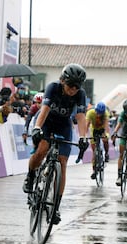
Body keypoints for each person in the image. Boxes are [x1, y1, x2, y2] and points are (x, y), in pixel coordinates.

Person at [22, 63, 89, 225]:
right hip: (47, 121)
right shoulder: (53, 87)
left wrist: (83, 137)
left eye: (76, 86)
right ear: (63, 81)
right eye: (70, 85)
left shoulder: (80, 94)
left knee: (63, 163)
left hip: (64, 125)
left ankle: (56, 208)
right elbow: (44, 110)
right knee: (42, 149)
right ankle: (31, 175)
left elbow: (80, 117)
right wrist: (37, 128)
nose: (73, 89)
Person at [86, 101, 110, 180]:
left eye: (101, 113)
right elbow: (87, 125)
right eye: (98, 112)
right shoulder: (90, 113)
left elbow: (106, 126)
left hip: (102, 129)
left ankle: (106, 153)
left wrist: (106, 134)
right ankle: (94, 170)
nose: (99, 114)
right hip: (94, 130)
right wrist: (85, 136)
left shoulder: (106, 113)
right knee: (94, 151)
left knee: (105, 139)